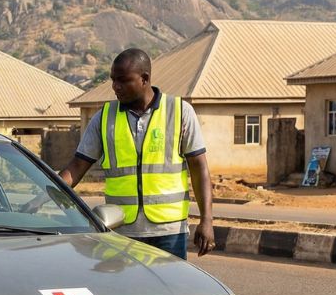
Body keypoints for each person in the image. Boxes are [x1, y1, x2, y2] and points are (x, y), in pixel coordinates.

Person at [52, 48, 214, 259]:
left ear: (144, 79)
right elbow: (76, 167)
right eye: (113, 80)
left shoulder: (180, 111)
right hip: (121, 232)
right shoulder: (104, 118)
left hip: (169, 233)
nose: (115, 87)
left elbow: (199, 168)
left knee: (170, 292)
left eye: (123, 80)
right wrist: (48, 193)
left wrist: (207, 220)